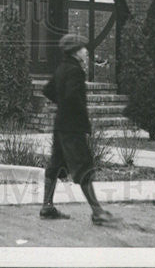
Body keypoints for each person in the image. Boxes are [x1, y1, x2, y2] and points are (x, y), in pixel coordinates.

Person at [39, 33, 112, 225]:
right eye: (82, 48)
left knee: (55, 166)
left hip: (61, 124)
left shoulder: (62, 68)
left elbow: (47, 90)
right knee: (83, 166)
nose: (86, 51)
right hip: (72, 127)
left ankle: (47, 206)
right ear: (75, 51)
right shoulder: (76, 71)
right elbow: (72, 97)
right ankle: (97, 211)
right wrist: (79, 115)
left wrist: (62, 104)